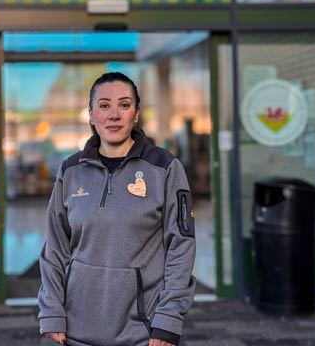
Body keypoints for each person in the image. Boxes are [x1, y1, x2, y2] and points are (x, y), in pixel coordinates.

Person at [37, 72, 196, 346]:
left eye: (124, 105)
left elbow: (180, 247)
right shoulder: (71, 171)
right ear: (90, 114)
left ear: (135, 115)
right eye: (104, 105)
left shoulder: (165, 168)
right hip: (75, 331)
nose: (114, 115)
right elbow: (55, 247)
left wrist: (168, 320)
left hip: (142, 333)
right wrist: (51, 311)